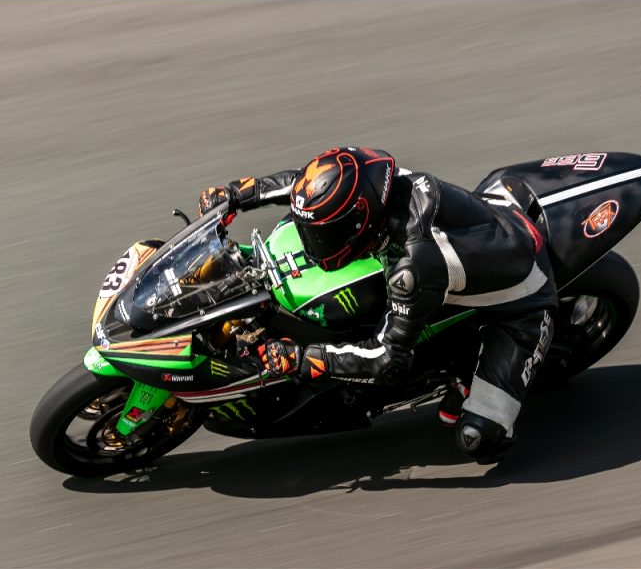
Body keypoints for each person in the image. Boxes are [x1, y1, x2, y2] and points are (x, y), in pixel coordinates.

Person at [198, 147, 557, 464]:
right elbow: (301, 185)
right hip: (481, 237)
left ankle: (467, 377)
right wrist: (237, 194)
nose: (314, 243)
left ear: (359, 220)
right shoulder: (377, 183)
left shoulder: (413, 266)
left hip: (522, 304)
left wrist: (302, 358)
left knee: (477, 439)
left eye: (324, 234)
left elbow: (388, 361)